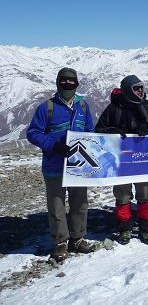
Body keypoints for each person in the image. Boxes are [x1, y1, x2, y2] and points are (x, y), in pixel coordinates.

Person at [26, 68, 96, 262]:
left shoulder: (83, 106)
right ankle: (60, 243)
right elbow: (33, 133)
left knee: (80, 204)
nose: (68, 84)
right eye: (64, 81)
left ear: (77, 83)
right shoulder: (47, 107)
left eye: (71, 81)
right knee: (57, 206)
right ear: (58, 83)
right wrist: (54, 145)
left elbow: (90, 130)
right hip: (54, 165)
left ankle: (77, 239)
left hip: (78, 166)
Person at [95, 75, 148, 245]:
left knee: (145, 194)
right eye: (136, 88)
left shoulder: (147, 106)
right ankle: (124, 228)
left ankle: (145, 228)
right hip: (121, 161)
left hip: (143, 159)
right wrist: (111, 131)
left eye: (141, 88)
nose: (140, 91)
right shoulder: (115, 108)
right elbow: (98, 129)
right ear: (128, 90)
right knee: (122, 195)